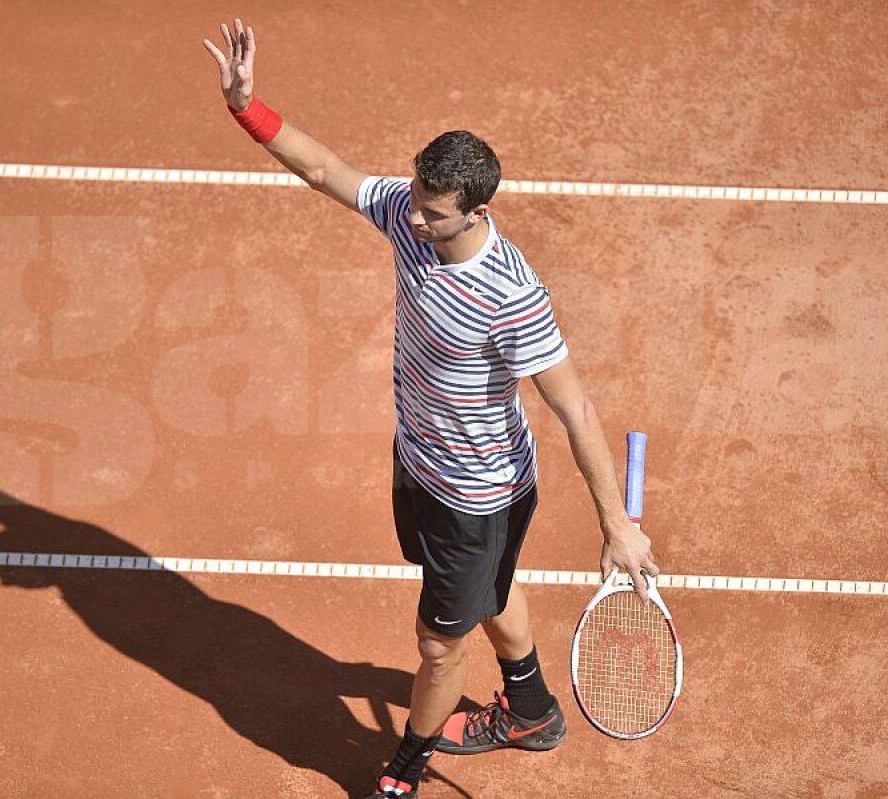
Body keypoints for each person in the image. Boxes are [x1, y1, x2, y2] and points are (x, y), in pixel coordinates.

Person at [204, 19, 660, 799]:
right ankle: (530, 709)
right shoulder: (407, 217)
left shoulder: (512, 296)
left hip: (476, 496)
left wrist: (616, 522)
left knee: (438, 644)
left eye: (432, 210)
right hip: (419, 460)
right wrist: (248, 107)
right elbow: (323, 169)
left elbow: (576, 408)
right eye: (414, 199)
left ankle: (403, 770)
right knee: (490, 589)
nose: (413, 217)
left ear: (475, 210)